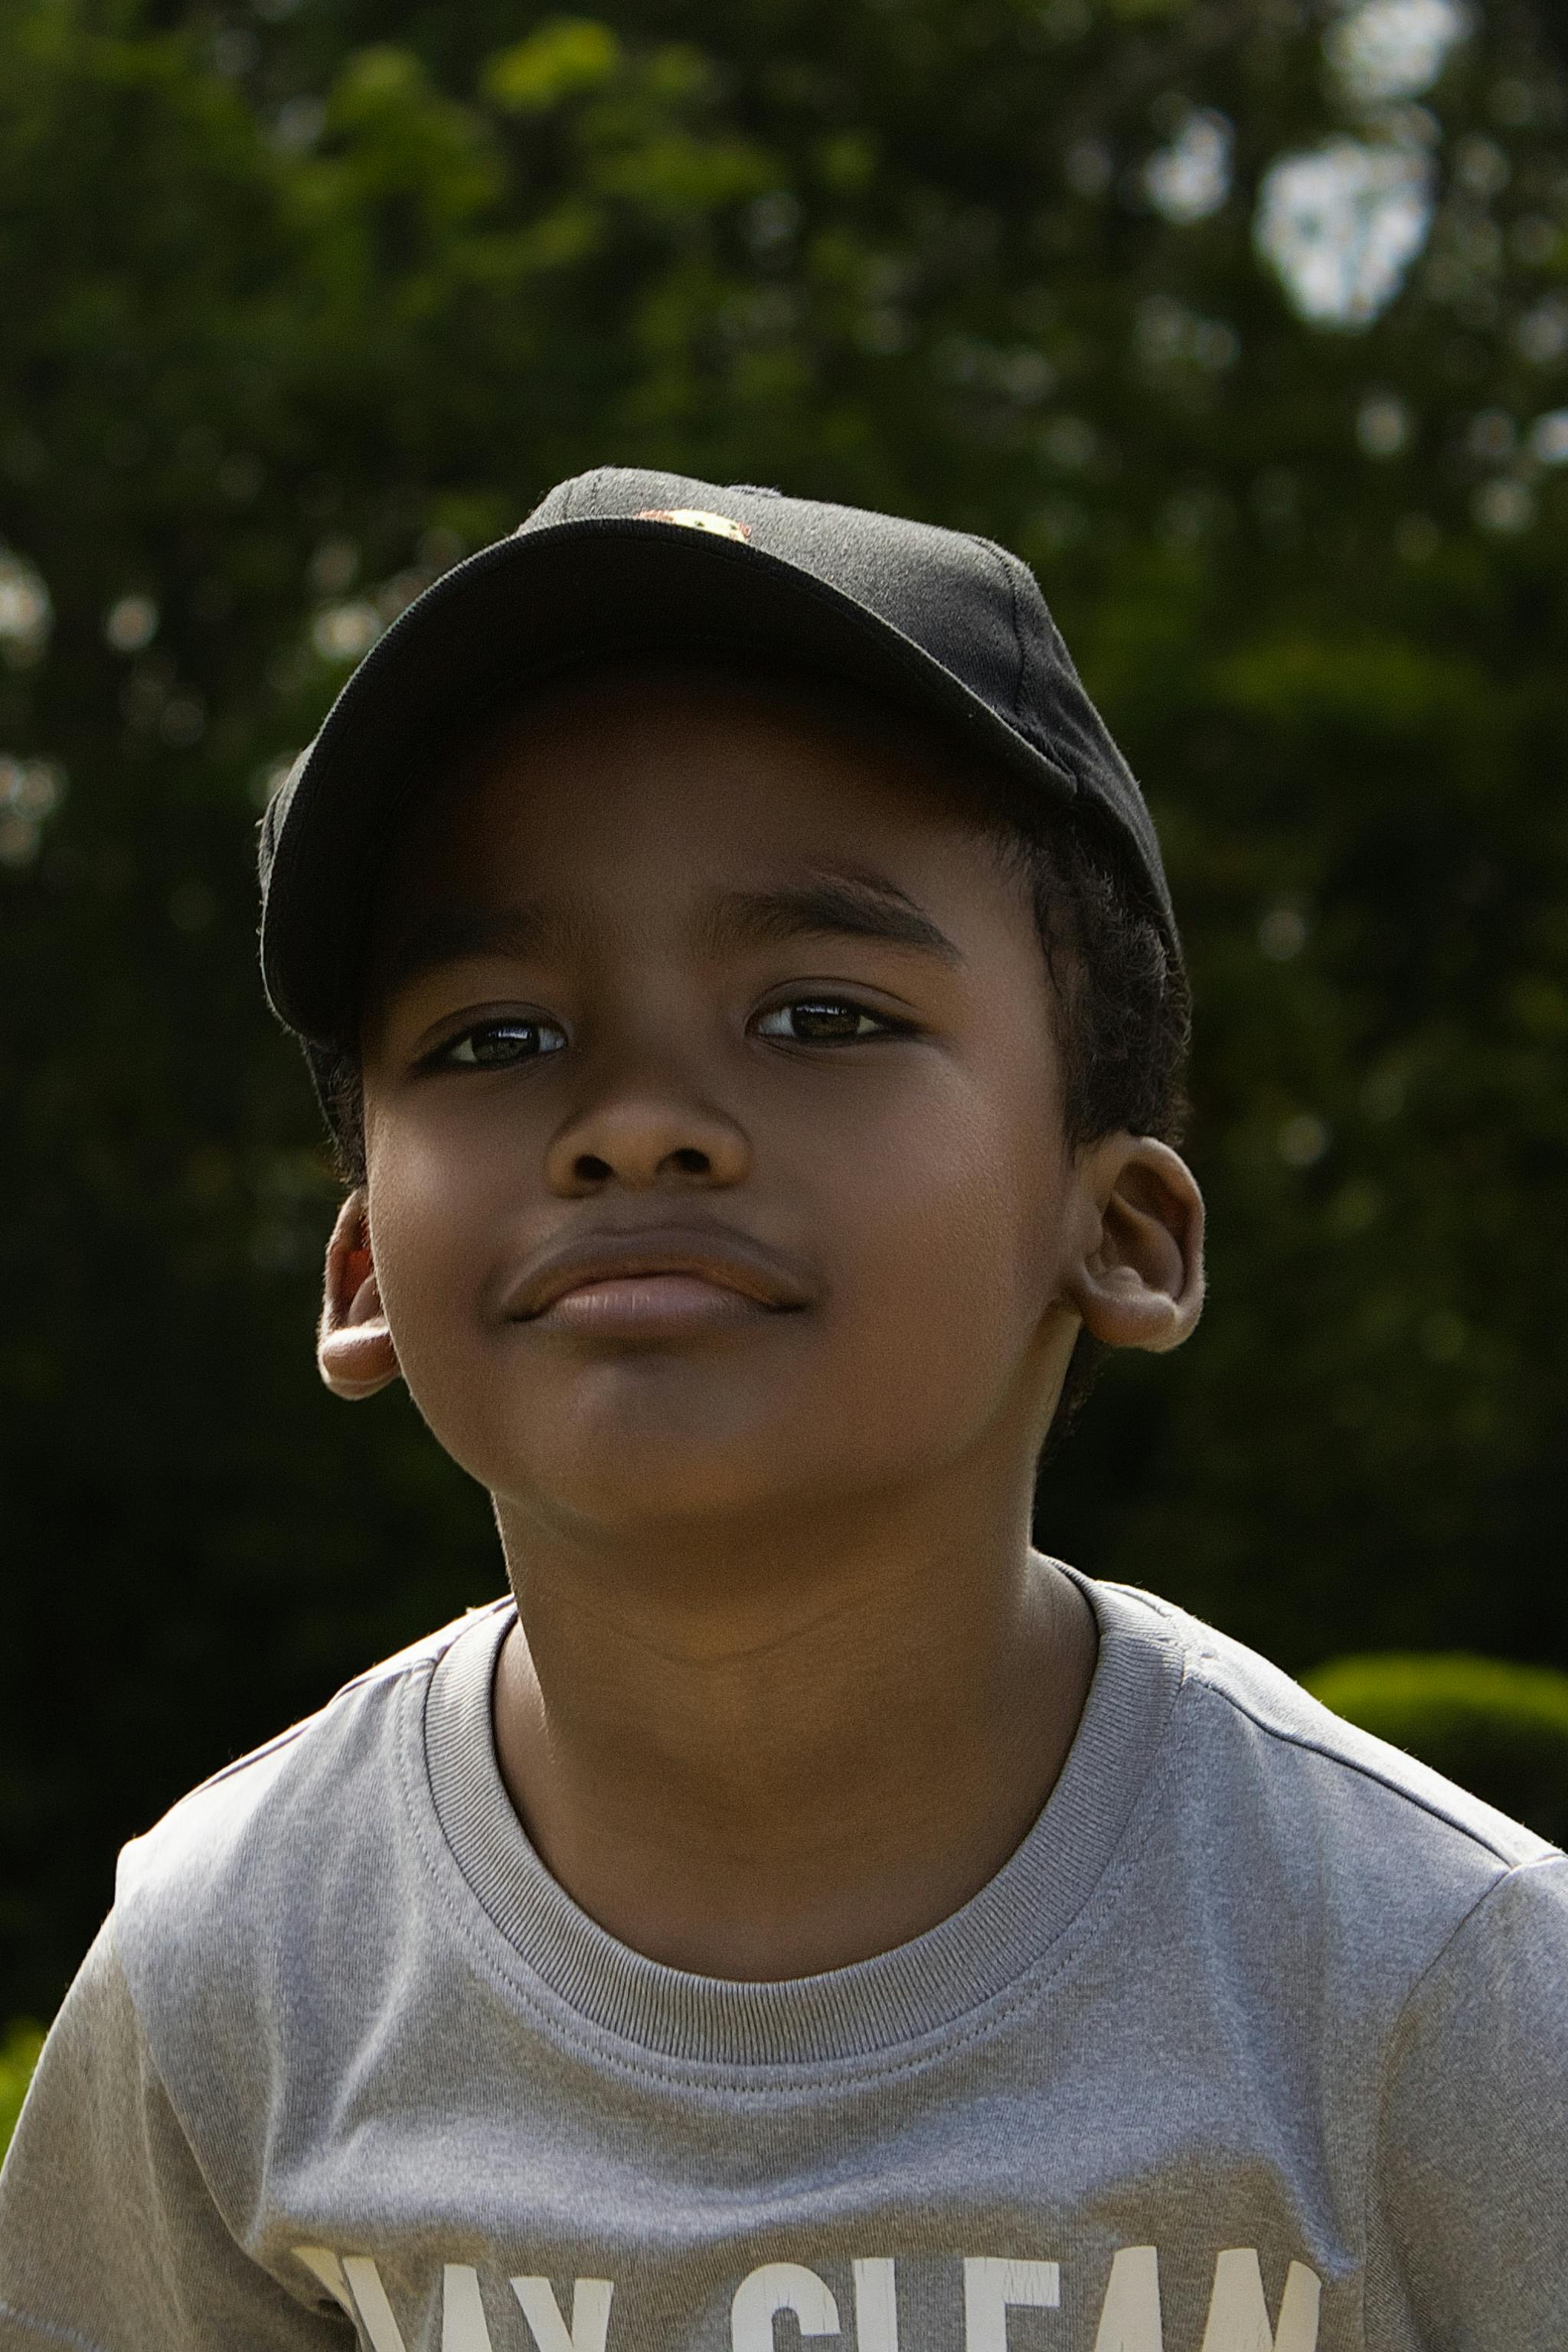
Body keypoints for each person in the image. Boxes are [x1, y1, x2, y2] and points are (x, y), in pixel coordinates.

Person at [0, 469, 1563, 2352]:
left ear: (1123, 1230)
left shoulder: (1431, 1981)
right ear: (359, 1280)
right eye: (493, 1037)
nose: (635, 1115)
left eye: (819, 1014)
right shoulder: (230, 1980)